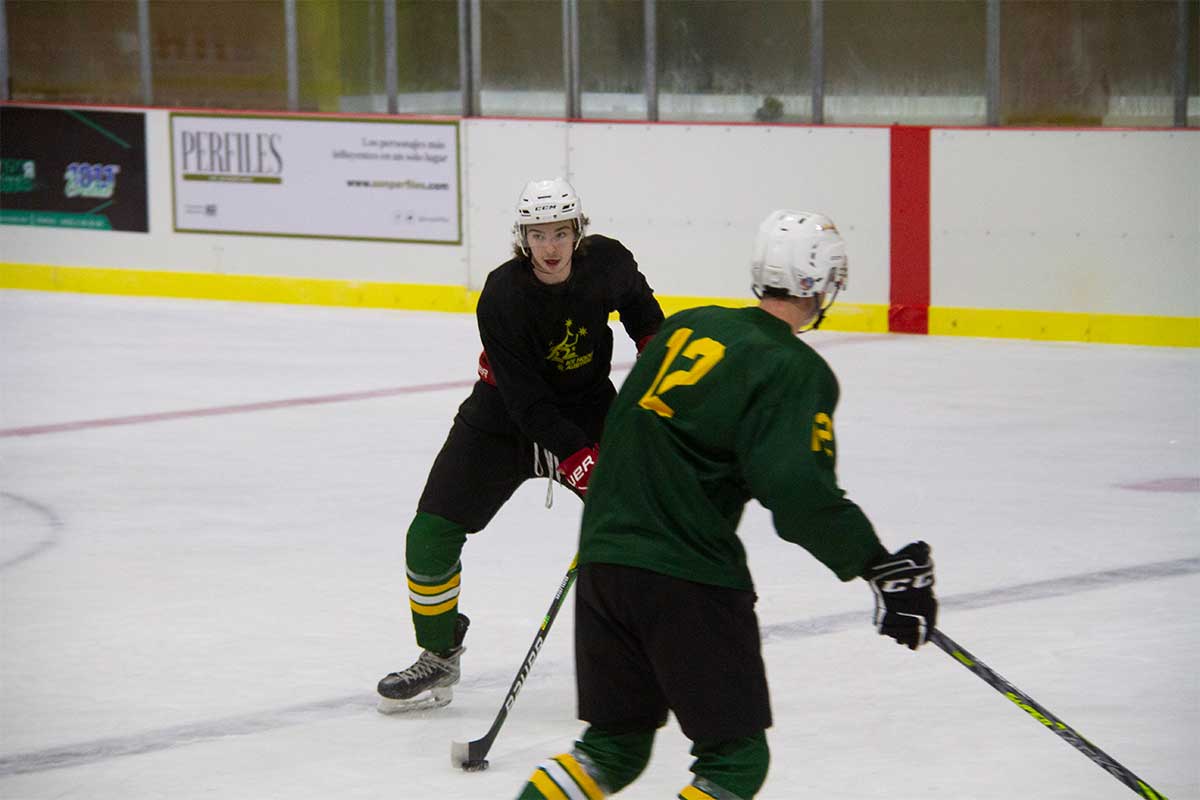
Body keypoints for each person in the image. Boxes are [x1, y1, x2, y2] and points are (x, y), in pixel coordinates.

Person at [516, 210, 938, 799]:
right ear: (818, 284)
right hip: (686, 573)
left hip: (606, 559)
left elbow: (625, 426)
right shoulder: (791, 367)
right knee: (734, 761)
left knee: (612, 750)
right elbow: (798, 495)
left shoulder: (686, 327)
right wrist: (878, 566)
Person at [377, 177, 664, 713]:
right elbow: (527, 402)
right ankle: (439, 652)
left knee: (642, 523)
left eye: (560, 232)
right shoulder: (503, 294)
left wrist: (655, 354)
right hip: (501, 420)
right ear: (522, 238)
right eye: (538, 235)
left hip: (588, 409)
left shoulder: (608, 262)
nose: (550, 247)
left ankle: (656, 646)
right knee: (430, 536)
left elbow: (641, 308)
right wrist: (580, 461)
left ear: (579, 232)